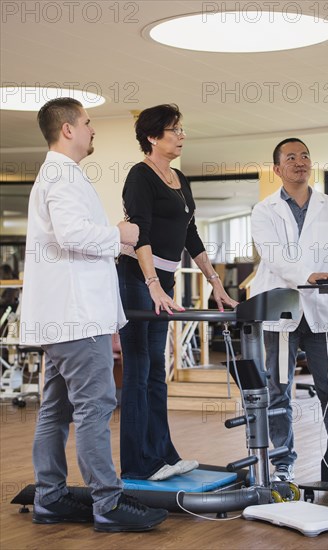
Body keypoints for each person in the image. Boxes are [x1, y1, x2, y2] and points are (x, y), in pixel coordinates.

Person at [19, 97, 168, 532]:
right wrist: (118, 233)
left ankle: (51, 498)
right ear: (67, 129)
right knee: (95, 406)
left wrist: (113, 242)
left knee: (56, 409)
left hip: (65, 315)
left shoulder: (59, 176)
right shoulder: (61, 176)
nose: (92, 129)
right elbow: (71, 235)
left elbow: (71, 238)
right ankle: (108, 502)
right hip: (76, 315)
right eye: (87, 123)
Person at [117, 103, 238, 481]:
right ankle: (139, 463)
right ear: (153, 137)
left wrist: (215, 282)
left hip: (162, 282)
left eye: (182, 129)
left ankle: (162, 455)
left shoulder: (179, 178)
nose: (182, 135)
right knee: (138, 371)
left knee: (156, 371)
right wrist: (152, 284)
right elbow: (141, 233)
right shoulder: (140, 177)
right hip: (137, 280)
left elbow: (190, 234)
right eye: (174, 130)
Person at [250, 137, 328, 482]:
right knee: (278, 389)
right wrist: (307, 275)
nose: (300, 161)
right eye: (291, 157)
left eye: (305, 156)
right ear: (277, 169)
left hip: (321, 311)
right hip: (281, 310)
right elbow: (275, 257)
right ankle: (283, 463)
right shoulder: (263, 210)